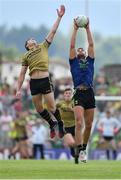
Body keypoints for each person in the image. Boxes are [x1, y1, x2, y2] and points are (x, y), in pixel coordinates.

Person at [16, 5, 65, 139]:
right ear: (27, 45)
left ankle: (60, 124)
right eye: (30, 39)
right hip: (34, 82)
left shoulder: (43, 46)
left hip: (44, 80)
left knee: (52, 108)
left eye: (33, 38)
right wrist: (18, 89)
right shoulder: (26, 56)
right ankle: (51, 123)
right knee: (38, 109)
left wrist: (59, 18)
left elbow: (53, 31)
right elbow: (22, 74)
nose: (33, 39)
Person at [69, 18, 96, 163]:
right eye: (78, 50)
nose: (79, 50)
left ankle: (83, 149)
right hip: (78, 92)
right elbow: (72, 45)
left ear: (85, 53)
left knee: (89, 124)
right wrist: (75, 29)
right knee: (79, 123)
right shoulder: (73, 61)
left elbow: (91, 44)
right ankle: (79, 150)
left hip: (90, 93)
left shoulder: (90, 60)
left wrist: (87, 28)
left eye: (82, 49)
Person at [56, 88, 76, 158]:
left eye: (69, 93)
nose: (68, 94)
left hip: (75, 125)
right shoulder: (60, 103)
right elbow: (51, 108)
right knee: (71, 142)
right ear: (64, 95)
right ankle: (72, 150)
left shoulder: (74, 103)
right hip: (65, 126)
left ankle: (75, 153)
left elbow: (78, 111)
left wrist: (70, 109)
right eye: (66, 93)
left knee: (76, 144)